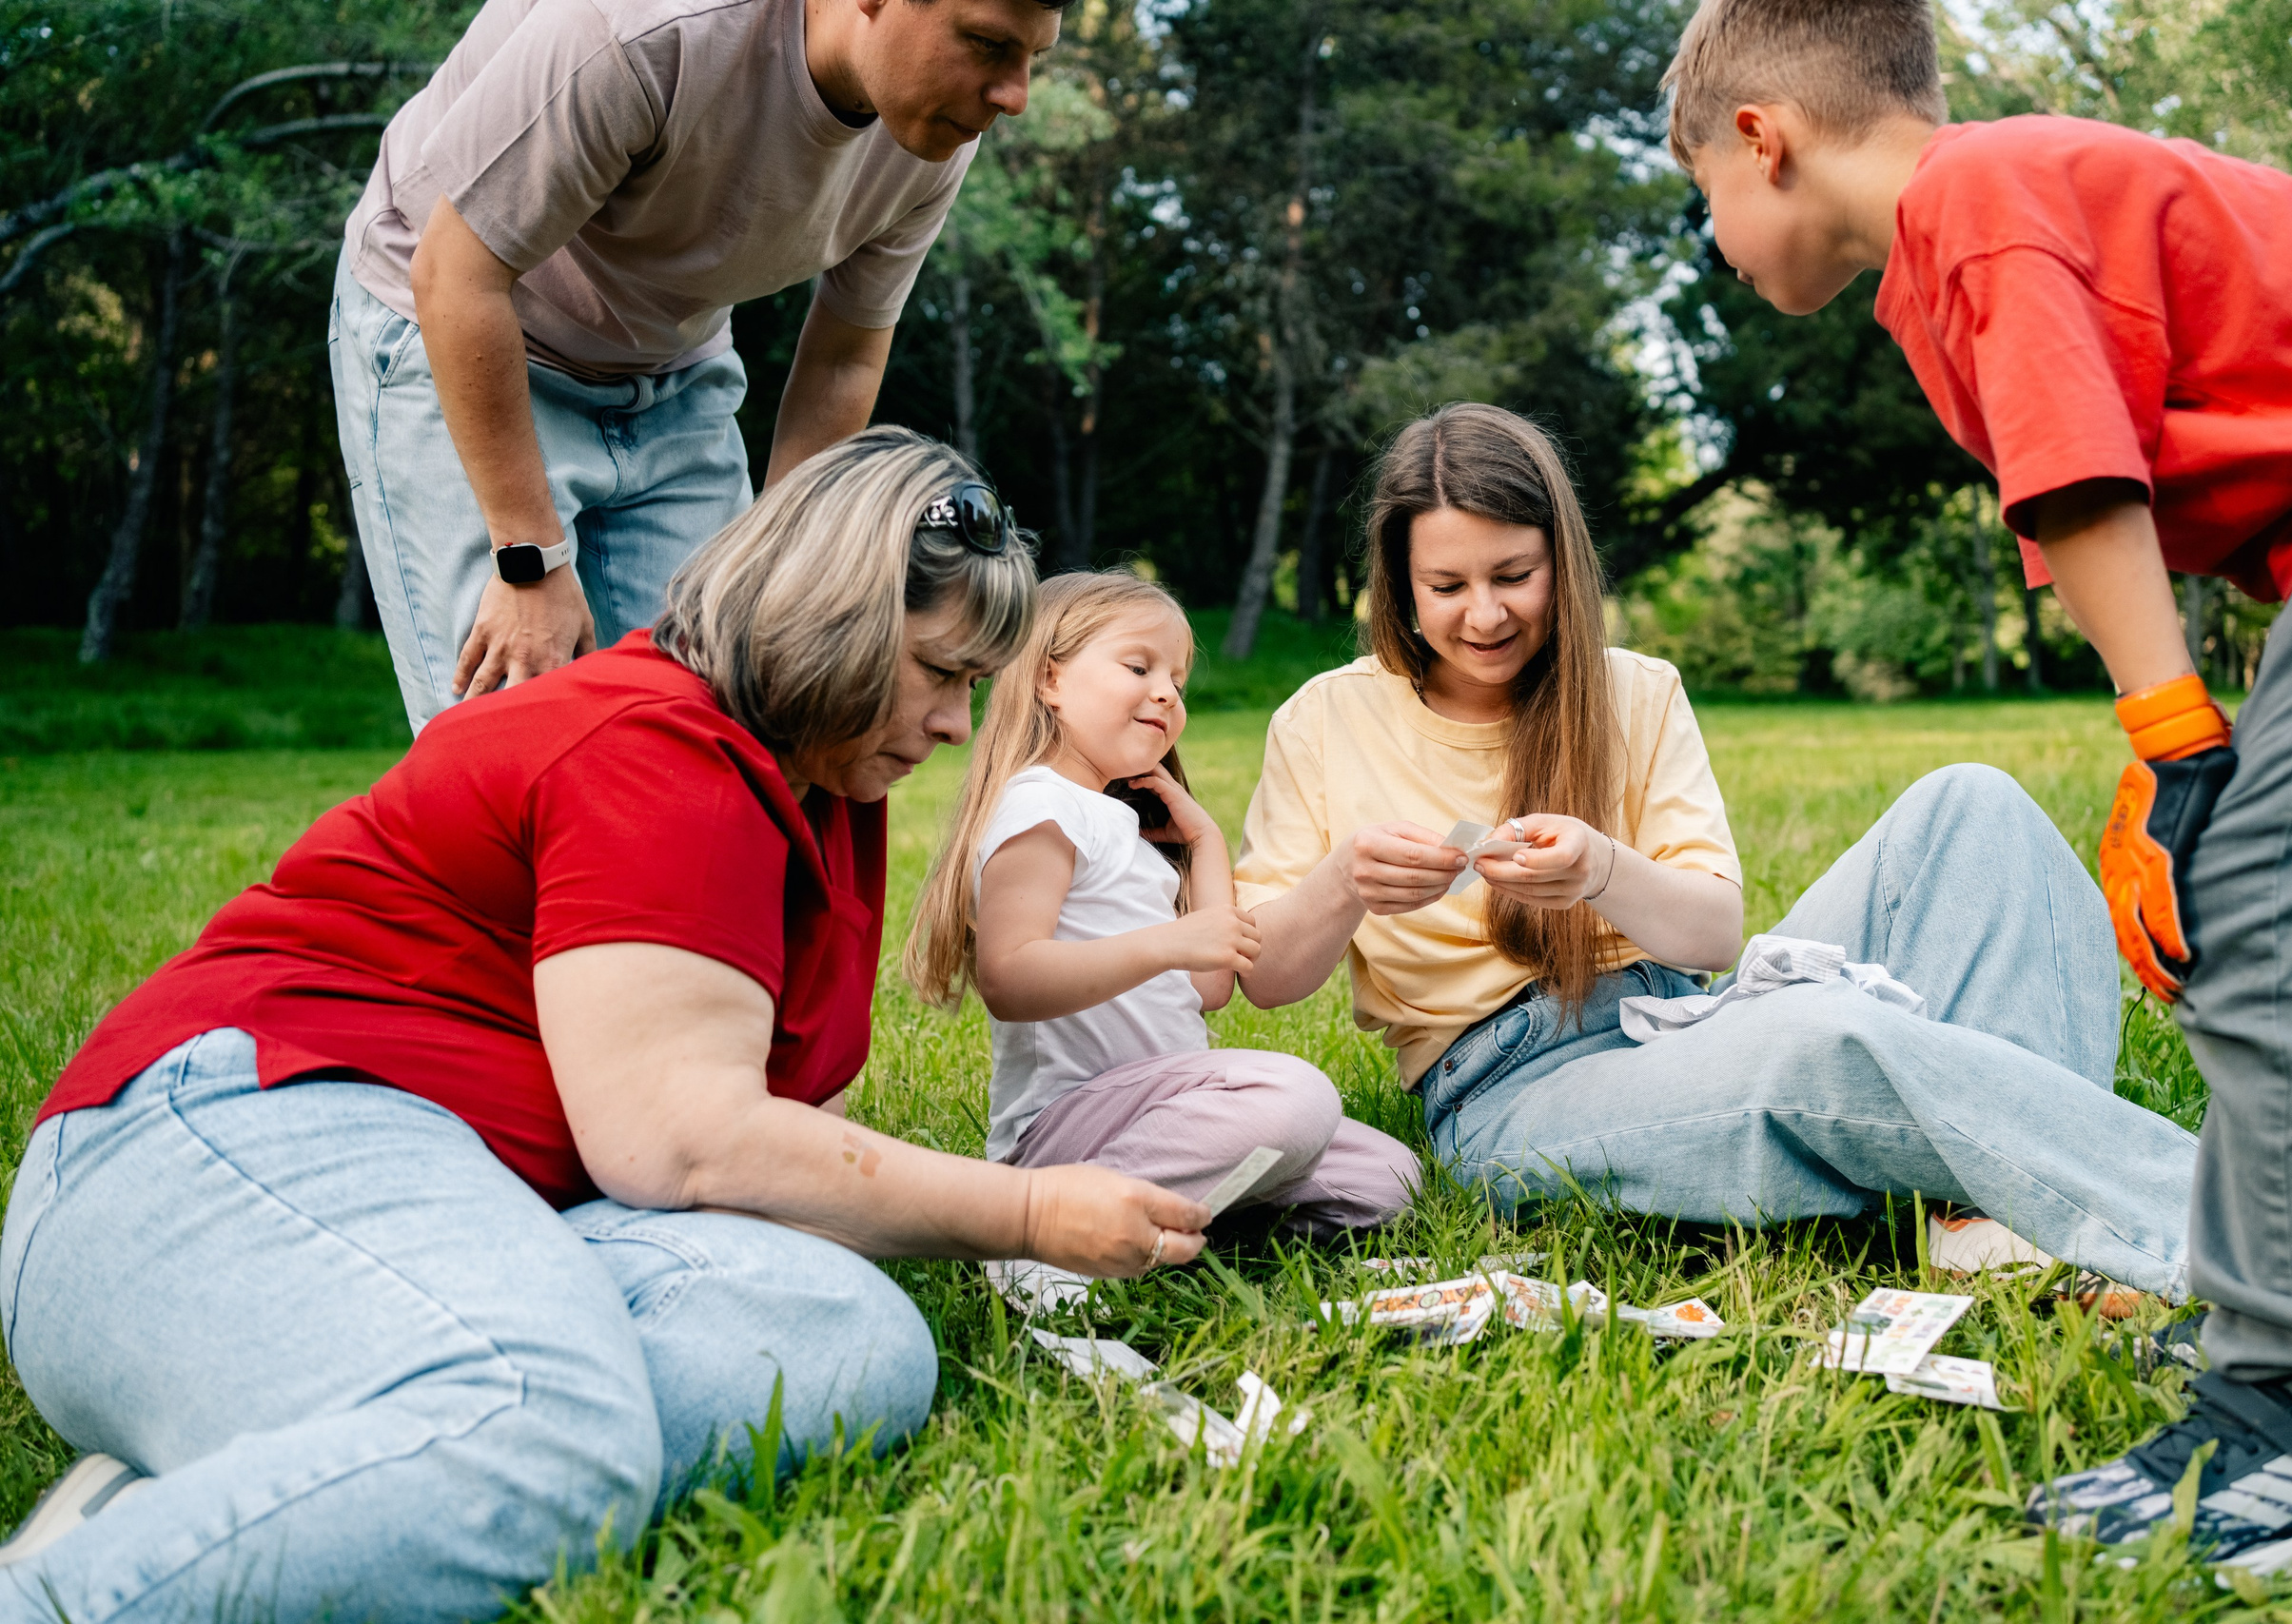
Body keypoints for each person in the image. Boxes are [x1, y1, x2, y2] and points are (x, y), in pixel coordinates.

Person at [0, 430, 1209, 1622]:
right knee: (551, 1434)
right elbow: (686, 1144)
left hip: (471, 1200)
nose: (956, 724)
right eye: (939, 672)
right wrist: (1030, 1214)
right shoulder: (656, 744)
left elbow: (777, 1163)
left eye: (973, 687)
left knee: (852, 1343)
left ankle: (305, 1475)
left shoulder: (823, 788)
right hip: (230, 1132)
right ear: (831, 622)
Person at [1660, 0, 2292, 1557]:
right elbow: (2127, 498)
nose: (1716, 244)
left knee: (2268, 926)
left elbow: (2084, 484)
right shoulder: (1983, 229)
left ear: (1763, 138)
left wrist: (2183, 748)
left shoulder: (1975, 199)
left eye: (1703, 200)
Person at [1231, 401, 2205, 1294]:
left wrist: (1601, 870)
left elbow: (1710, 936)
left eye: (1513, 576)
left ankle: (1981, 1212)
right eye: (1445, 585)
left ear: (1562, 562)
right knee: (1821, 1039)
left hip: (1682, 1016)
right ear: (1399, 585)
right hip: (1508, 1093)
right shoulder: (1324, 719)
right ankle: (2218, 1227)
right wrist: (1343, 883)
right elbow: (1266, 978)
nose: (1484, 614)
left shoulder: (1635, 689)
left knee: (1974, 805)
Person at [332, 0, 1067, 733]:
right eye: (986, 43)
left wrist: (786, 574)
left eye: (1033, 58)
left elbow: (843, 358)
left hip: (672, 367)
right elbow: (455, 275)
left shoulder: (931, 128)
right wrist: (528, 558)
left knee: (724, 712)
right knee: (516, 732)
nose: (1016, 97)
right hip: (458, 325)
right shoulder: (646, 26)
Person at [904, 571, 1420, 1310]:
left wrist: (1204, 841)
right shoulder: (1041, 805)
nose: (1167, 694)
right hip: (1068, 1127)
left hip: (1166, 1115)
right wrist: (1170, 942)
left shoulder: (1126, 827)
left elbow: (1210, 987)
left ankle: (1164, 1228)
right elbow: (1011, 979)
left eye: (1176, 680)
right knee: (1296, 1097)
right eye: (1139, 667)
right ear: (1050, 679)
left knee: (1389, 1177)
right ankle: (1046, 1234)